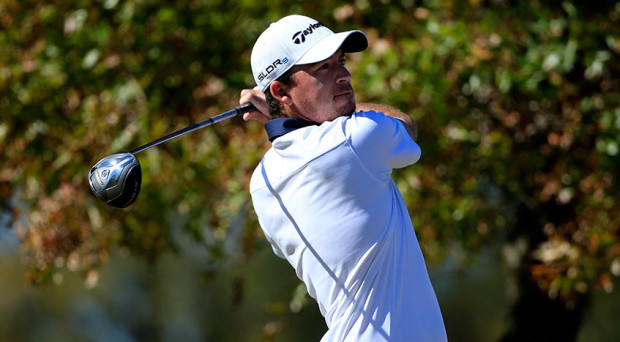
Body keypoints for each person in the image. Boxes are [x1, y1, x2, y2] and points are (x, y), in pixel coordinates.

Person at [239, 15, 447, 341]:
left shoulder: (261, 182)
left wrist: (281, 111)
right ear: (280, 90)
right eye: (323, 68)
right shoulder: (356, 140)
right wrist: (283, 111)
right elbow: (406, 126)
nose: (344, 75)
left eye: (340, 60)